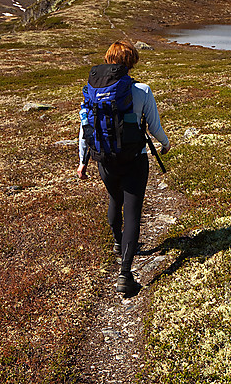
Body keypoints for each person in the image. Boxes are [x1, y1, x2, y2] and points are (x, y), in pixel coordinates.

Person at [77, 41, 170, 294]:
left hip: (104, 159)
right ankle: (125, 275)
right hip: (134, 160)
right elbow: (154, 126)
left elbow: (85, 128)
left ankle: (118, 244)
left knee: (113, 199)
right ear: (132, 62)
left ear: (108, 60)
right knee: (132, 213)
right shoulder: (142, 90)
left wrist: (82, 162)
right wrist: (165, 143)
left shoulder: (91, 90)